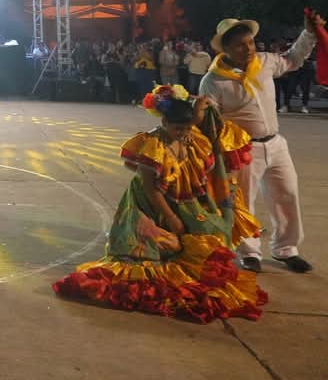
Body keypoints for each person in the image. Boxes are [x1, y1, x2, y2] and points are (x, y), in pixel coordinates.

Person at [53, 85, 265, 322]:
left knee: (208, 234)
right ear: (164, 123)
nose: (183, 133)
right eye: (178, 128)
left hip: (176, 198)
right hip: (147, 202)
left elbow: (197, 127)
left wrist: (198, 111)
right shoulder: (152, 145)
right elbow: (152, 189)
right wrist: (172, 218)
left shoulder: (190, 136)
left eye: (187, 127)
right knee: (152, 251)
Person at [198, 12, 322, 273]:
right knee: (243, 201)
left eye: (250, 42)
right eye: (240, 45)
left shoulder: (264, 62)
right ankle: (249, 252)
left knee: (287, 194)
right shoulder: (213, 80)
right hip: (243, 150)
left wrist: (310, 33)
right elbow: (209, 121)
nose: (248, 49)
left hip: (276, 143)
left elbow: (293, 59)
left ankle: (286, 249)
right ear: (226, 49)